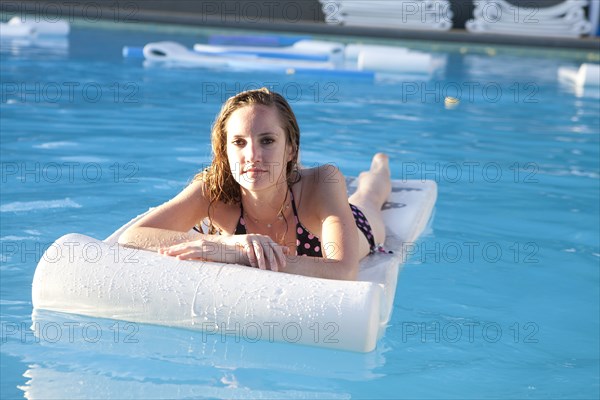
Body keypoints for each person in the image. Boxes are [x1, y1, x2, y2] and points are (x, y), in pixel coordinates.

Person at [118, 88, 391, 281]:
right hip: (285, 180)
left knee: (369, 196)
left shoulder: (325, 181)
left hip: (353, 225)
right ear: (224, 151)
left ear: (292, 148)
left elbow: (343, 270)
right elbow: (133, 236)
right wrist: (223, 245)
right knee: (267, 171)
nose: (251, 155)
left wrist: (240, 255)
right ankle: (282, 171)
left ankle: (379, 167)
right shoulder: (212, 189)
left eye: (267, 140)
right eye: (239, 142)